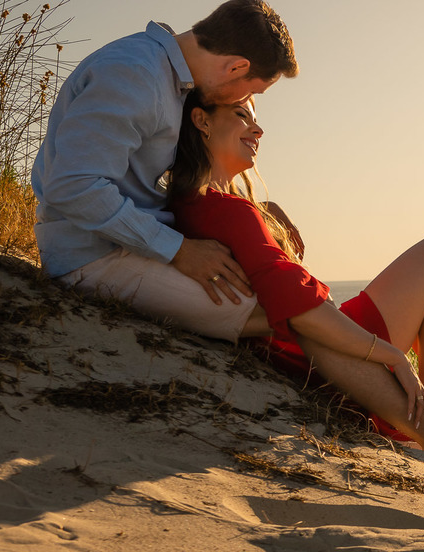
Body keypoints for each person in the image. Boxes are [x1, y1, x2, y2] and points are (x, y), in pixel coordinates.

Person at [166, 93, 424, 459]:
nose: (258, 129)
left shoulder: (203, 204)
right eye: (241, 115)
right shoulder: (225, 210)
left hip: (304, 347)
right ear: (201, 121)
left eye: (255, 119)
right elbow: (295, 300)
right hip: (317, 351)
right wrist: (388, 353)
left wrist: (264, 209)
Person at [31, 0, 296, 342]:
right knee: (274, 307)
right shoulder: (136, 72)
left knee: (280, 294)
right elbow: (74, 187)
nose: (243, 101)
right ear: (236, 67)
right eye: (252, 91)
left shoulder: (170, 78)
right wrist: (178, 250)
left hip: (128, 243)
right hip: (92, 256)